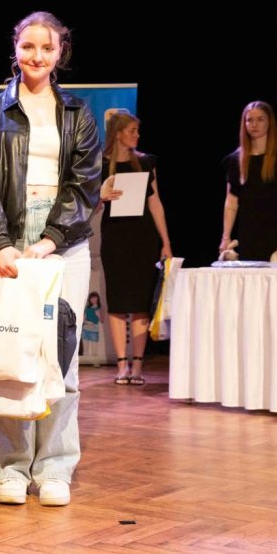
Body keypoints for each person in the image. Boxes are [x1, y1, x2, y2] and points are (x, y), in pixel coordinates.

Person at [0, 11, 100, 507]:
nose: (36, 56)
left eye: (47, 47)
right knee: (9, 358)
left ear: (60, 52)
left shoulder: (78, 113)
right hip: (5, 244)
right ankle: (12, 468)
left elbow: (85, 184)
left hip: (64, 249)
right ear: (15, 50)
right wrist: (0, 243)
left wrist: (51, 239)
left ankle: (55, 467)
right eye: (28, 46)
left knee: (61, 362)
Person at [98, 112, 172, 385]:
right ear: (117, 133)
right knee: (117, 301)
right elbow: (90, 204)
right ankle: (121, 366)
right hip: (115, 238)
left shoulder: (146, 162)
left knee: (141, 302)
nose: (137, 135)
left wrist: (166, 242)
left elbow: (155, 203)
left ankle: (137, 365)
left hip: (143, 238)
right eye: (132, 131)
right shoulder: (100, 165)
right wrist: (101, 197)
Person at [220, 101, 277, 260]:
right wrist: (225, 237)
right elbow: (231, 202)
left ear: (269, 122)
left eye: (260, 119)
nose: (254, 124)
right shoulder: (235, 160)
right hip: (248, 234)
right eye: (249, 120)